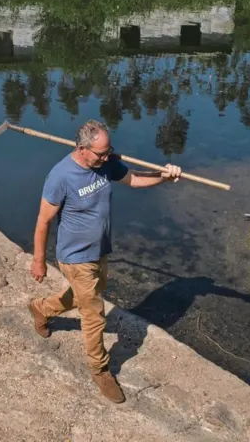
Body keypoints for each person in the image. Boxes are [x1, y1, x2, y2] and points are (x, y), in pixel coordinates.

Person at [27, 119, 182, 404]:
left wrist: (163, 176)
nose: (107, 156)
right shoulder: (60, 176)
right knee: (94, 314)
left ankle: (41, 308)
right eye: (101, 153)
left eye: (109, 151)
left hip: (100, 250)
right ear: (83, 149)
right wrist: (39, 260)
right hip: (75, 258)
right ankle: (100, 371)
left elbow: (133, 180)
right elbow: (43, 220)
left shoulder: (106, 163)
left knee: (83, 297)